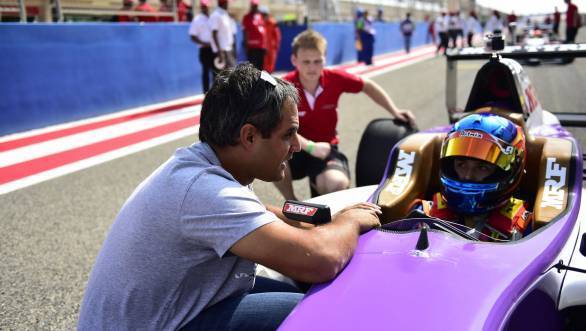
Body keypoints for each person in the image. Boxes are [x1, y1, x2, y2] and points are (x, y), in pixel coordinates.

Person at [77, 63, 382, 330]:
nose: (297, 147)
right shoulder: (203, 190)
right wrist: (349, 221)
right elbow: (321, 260)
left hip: (170, 312)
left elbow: (260, 211)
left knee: (303, 292)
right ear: (249, 136)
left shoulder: (209, 164)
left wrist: (316, 220)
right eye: (288, 134)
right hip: (163, 323)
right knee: (321, 311)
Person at [274, 30, 416, 201]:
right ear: (294, 60)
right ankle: (292, 203)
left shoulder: (335, 78)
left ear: (325, 58)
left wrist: (395, 111)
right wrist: (311, 147)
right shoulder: (284, 86)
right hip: (294, 148)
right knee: (270, 153)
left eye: (317, 61)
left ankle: (317, 181)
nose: (312, 68)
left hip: (326, 148)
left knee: (337, 184)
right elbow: (276, 126)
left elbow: (367, 85)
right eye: (306, 62)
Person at [416, 113, 533, 241]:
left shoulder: (524, 229)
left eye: (482, 167)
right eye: (461, 164)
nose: (467, 176)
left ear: (509, 170)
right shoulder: (423, 215)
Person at [189, 0, 214, 93]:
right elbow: (192, 36)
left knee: (215, 72)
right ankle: (206, 93)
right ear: (201, 7)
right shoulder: (197, 19)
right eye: (204, 6)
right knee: (206, 72)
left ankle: (216, 93)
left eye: (206, 6)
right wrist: (204, 43)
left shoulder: (212, 18)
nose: (205, 8)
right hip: (204, 50)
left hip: (214, 49)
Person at [209, 0, 236, 69]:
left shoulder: (224, 14)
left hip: (228, 50)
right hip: (222, 51)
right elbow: (214, 34)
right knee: (223, 76)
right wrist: (219, 52)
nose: (228, 4)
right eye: (227, 2)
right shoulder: (216, 15)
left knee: (231, 75)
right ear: (223, 3)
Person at [242, 0, 266, 70]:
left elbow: (263, 30)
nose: (255, 7)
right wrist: (246, 46)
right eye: (254, 6)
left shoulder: (259, 16)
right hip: (252, 47)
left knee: (260, 69)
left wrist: (264, 45)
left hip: (260, 47)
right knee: (253, 68)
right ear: (251, 6)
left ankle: (260, 81)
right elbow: (245, 31)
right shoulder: (247, 17)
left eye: (256, 6)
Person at [260, 6, 281, 73]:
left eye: (264, 14)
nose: (263, 16)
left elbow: (277, 35)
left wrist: (276, 45)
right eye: (262, 14)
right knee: (264, 63)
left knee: (271, 63)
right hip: (263, 47)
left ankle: (269, 75)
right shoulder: (260, 23)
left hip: (271, 47)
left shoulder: (272, 23)